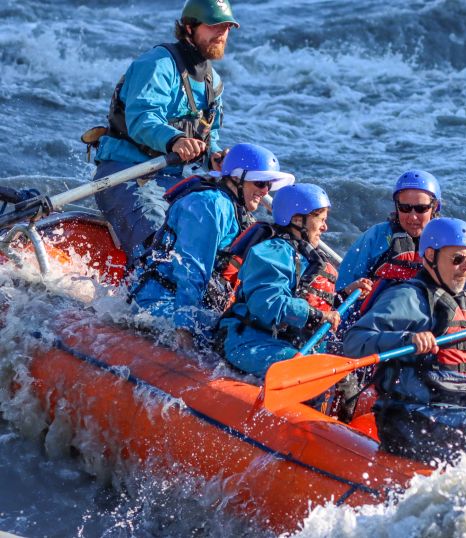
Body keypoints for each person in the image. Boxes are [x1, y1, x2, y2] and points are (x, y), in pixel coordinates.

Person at [342, 217, 466, 463]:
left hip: (453, 416)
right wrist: (408, 339)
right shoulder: (409, 297)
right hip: (413, 420)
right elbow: (353, 342)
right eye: (457, 259)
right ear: (430, 256)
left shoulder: (465, 302)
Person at [89, 0, 238, 258]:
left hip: (173, 180)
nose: (222, 34)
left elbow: (208, 133)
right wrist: (175, 140)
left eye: (226, 27)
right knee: (160, 244)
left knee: (223, 234)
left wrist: (213, 157)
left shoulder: (214, 83)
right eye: (214, 26)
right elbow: (142, 119)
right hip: (126, 173)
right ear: (189, 27)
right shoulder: (157, 64)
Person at [129, 143, 294, 351]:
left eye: (269, 185)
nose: (265, 191)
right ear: (235, 177)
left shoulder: (236, 208)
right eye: (260, 183)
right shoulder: (208, 205)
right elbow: (191, 269)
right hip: (160, 302)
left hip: (199, 305)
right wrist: (184, 329)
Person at [219, 184, 372, 378]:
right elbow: (267, 303)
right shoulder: (271, 252)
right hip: (249, 343)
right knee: (325, 375)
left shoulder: (302, 254)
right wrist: (319, 316)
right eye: (321, 220)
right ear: (298, 220)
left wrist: (343, 295)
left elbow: (304, 297)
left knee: (349, 375)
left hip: (280, 343)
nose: (325, 227)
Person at [336, 170, 441, 313]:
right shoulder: (376, 237)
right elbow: (342, 287)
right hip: (379, 319)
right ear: (397, 207)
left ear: (434, 207)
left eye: (421, 209)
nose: (413, 217)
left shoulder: (446, 242)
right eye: (405, 208)